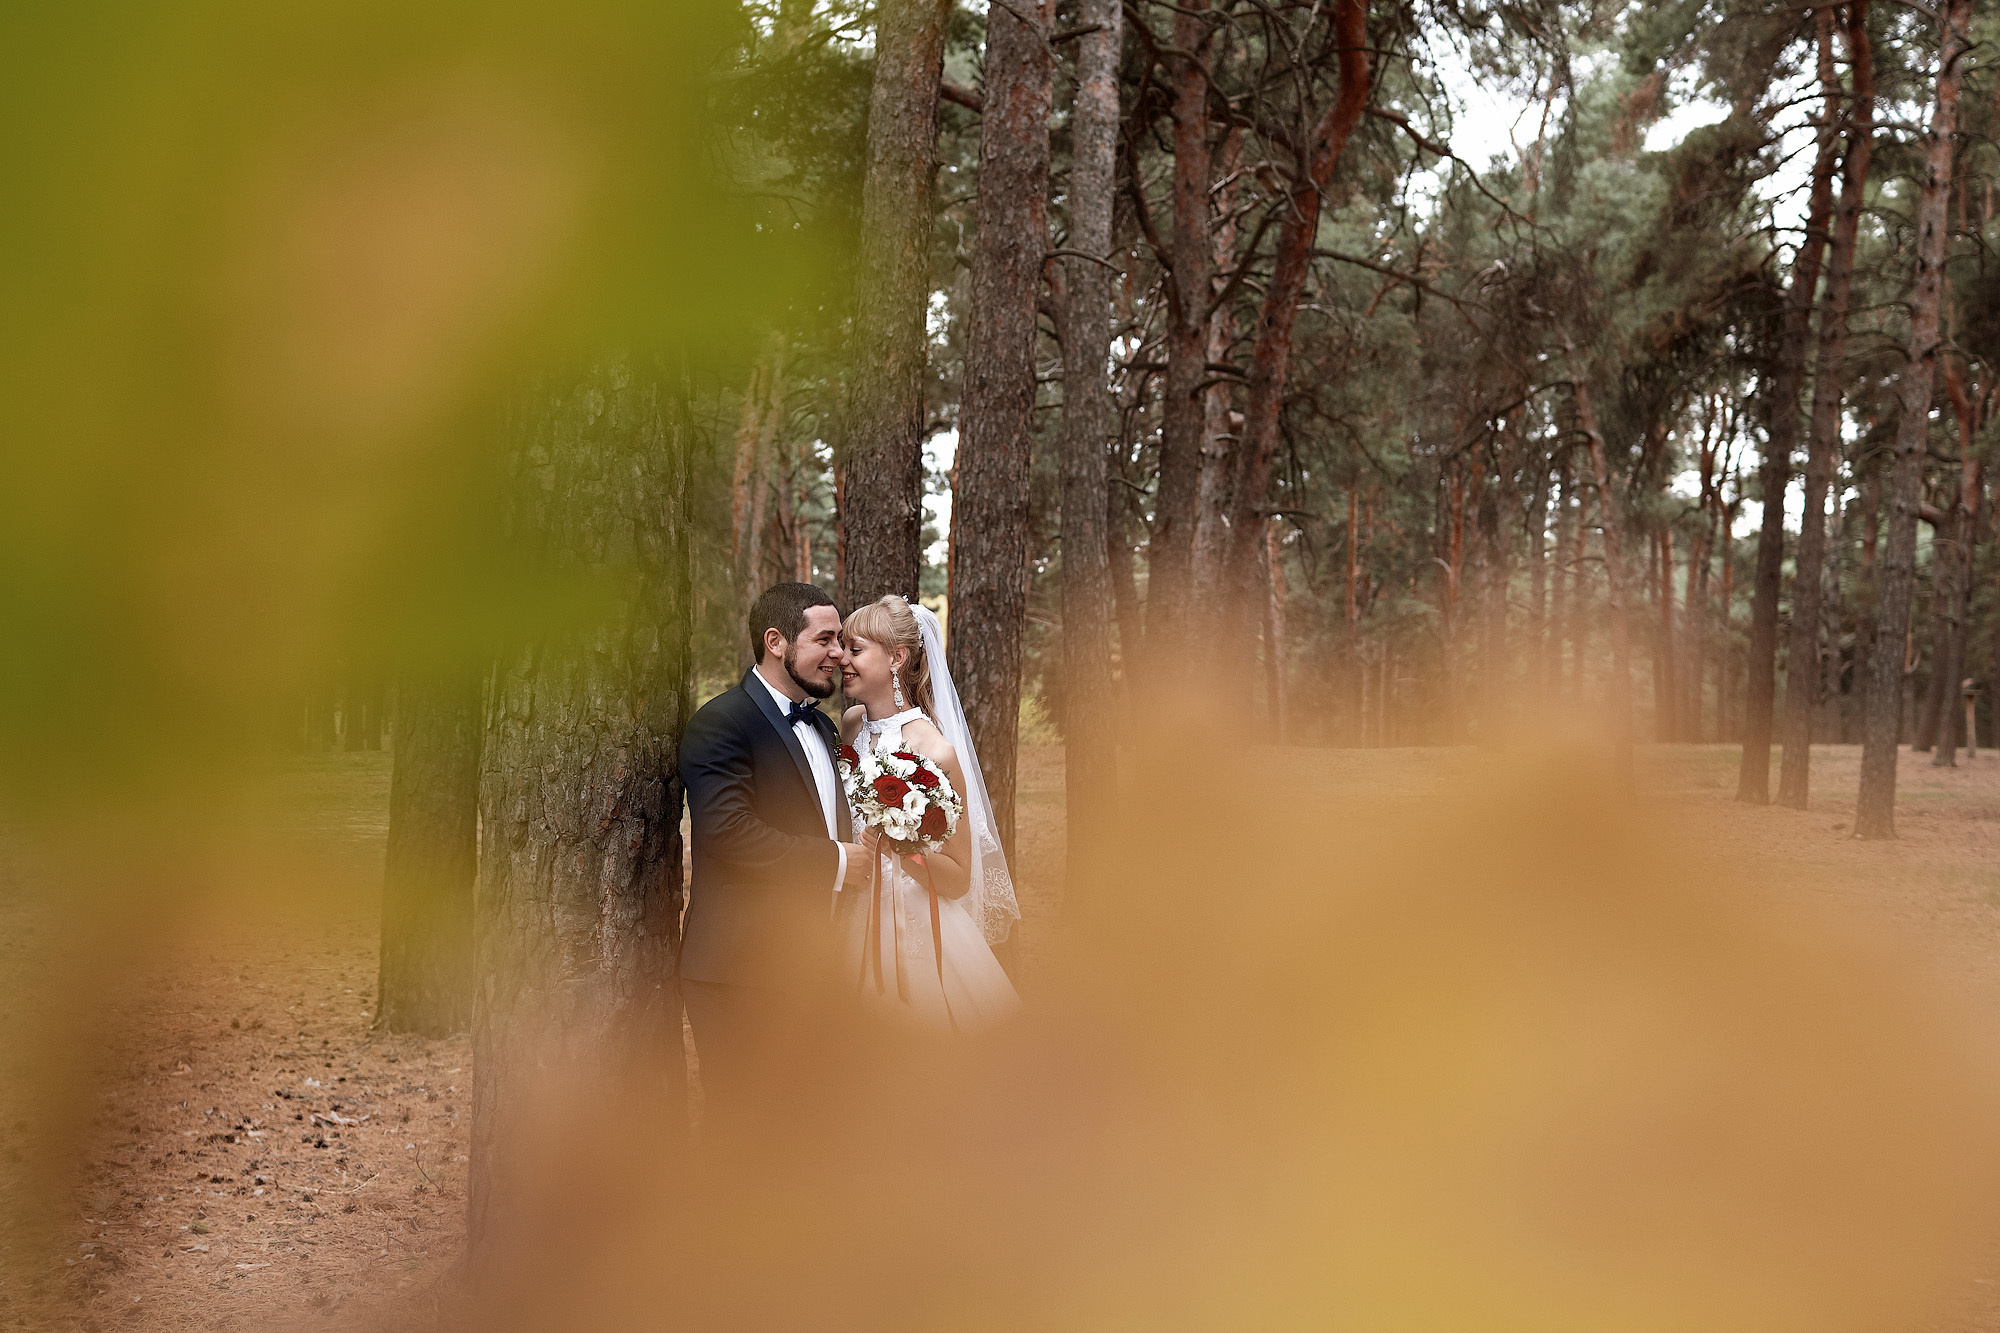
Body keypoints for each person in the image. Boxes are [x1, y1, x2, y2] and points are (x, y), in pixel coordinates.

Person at [679, 582, 871, 1113]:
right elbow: (726, 830)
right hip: (739, 970)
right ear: (776, 641)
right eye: (826, 639)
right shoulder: (722, 722)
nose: (838, 653)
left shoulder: (825, 729)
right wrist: (835, 862)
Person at [836, 594, 1021, 1030]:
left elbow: (958, 879)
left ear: (897, 657)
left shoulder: (935, 750)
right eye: (843, 646)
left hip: (915, 928)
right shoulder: (851, 725)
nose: (841, 658)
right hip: (849, 919)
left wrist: (901, 849)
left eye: (856, 649)